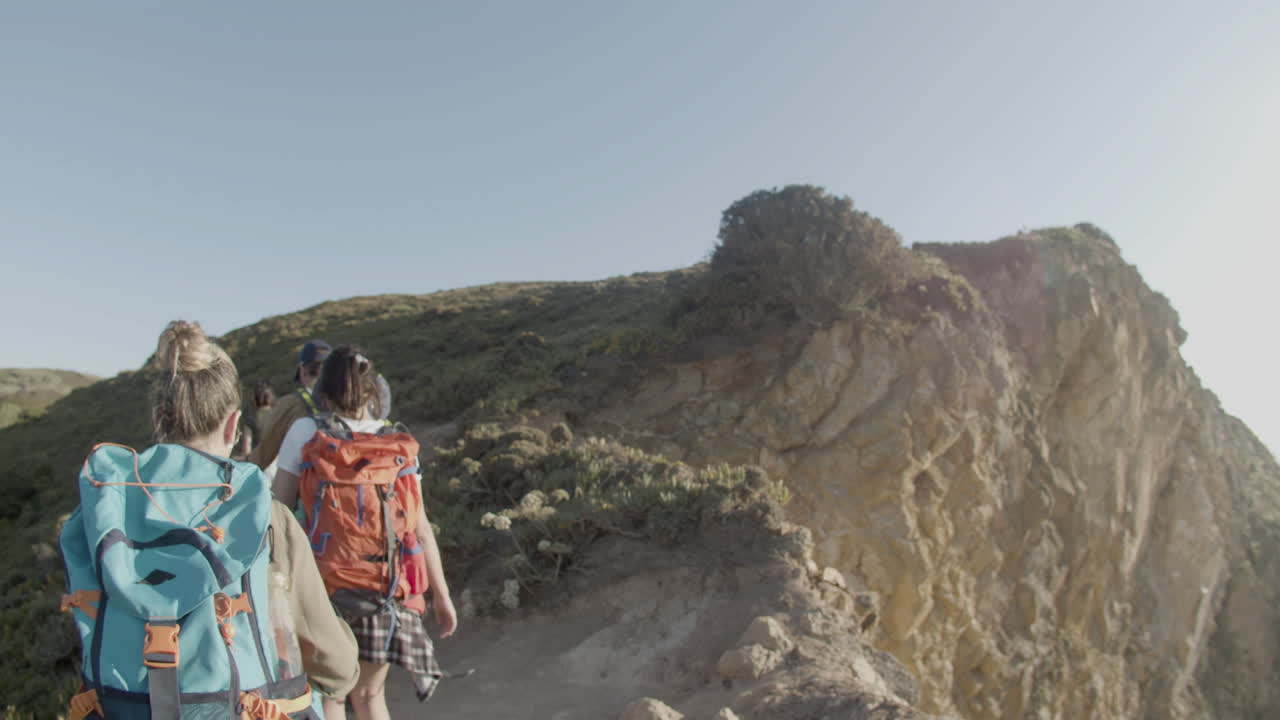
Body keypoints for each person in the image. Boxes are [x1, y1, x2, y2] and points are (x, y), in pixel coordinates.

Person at [59, 321, 357, 719]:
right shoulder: (265, 515)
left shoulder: (101, 509)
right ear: (234, 425)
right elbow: (332, 660)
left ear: (156, 418)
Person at [273, 346, 457, 720]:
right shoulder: (396, 443)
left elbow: (276, 512)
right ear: (373, 392)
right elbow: (420, 528)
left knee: (332, 695)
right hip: (386, 591)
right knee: (371, 695)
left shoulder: (306, 433)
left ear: (321, 391)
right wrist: (442, 595)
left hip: (323, 590)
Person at [251, 340, 330, 472]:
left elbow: (262, 456)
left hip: (309, 487)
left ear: (302, 370)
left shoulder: (291, 404)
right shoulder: (354, 402)